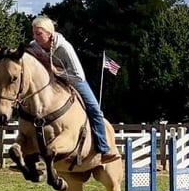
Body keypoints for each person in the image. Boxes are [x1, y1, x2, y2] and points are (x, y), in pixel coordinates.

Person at [28, 15, 120, 164]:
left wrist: (57, 72)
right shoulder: (33, 46)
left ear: (49, 34)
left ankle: (104, 149)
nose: (35, 37)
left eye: (39, 33)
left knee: (95, 110)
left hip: (74, 81)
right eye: (34, 33)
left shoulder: (64, 48)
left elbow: (78, 75)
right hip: (51, 84)